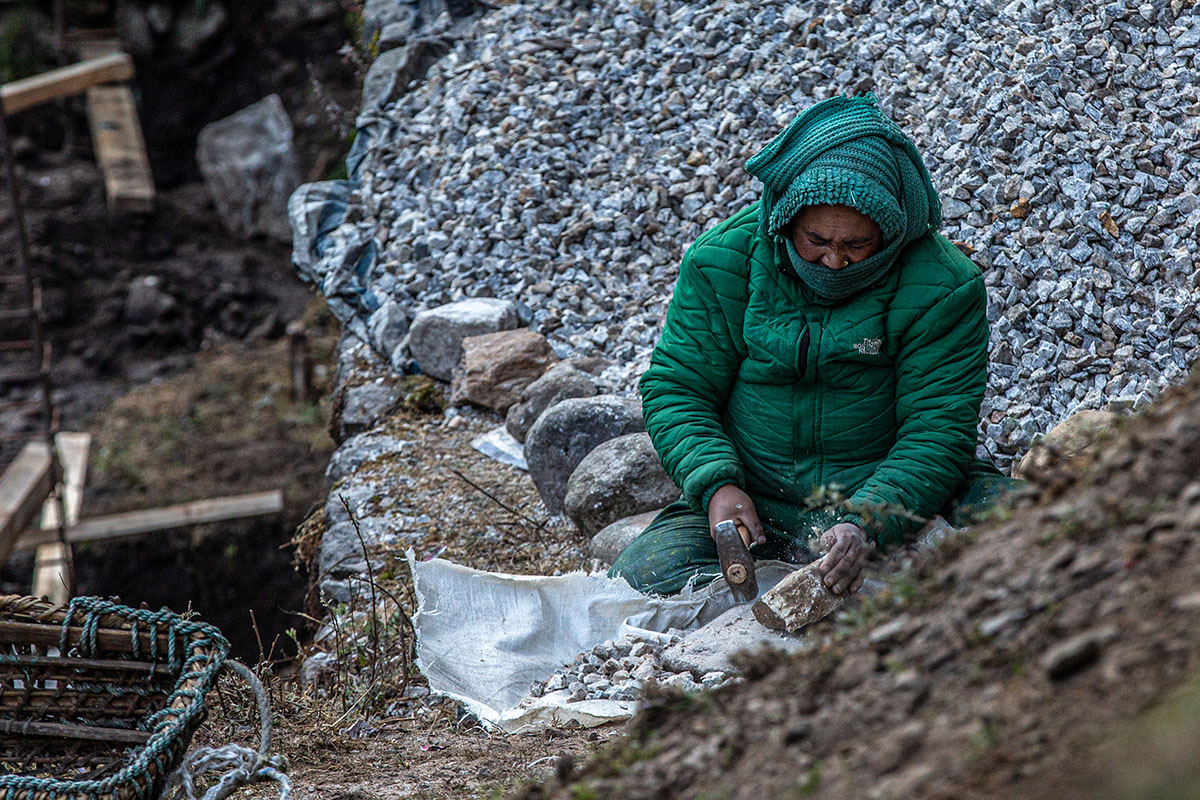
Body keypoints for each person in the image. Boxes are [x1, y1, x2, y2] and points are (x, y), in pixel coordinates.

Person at [610, 94, 1015, 598]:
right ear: (785, 221)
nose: (834, 262)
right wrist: (716, 484)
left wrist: (867, 522)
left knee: (1037, 537)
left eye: (858, 245)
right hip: (758, 500)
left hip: (900, 496)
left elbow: (936, 428)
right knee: (636, 582)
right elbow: (678, 386)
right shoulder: (724, 261)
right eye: (816, 240)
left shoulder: (943, 286)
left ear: (892, 232)